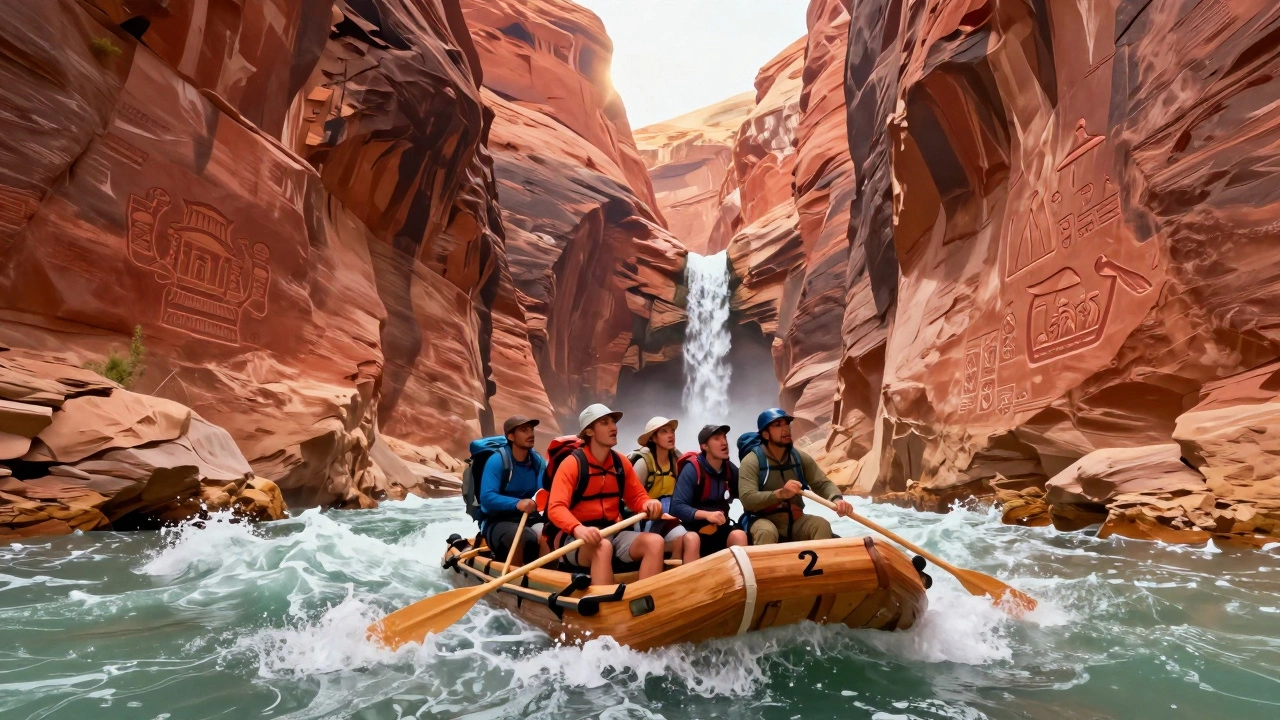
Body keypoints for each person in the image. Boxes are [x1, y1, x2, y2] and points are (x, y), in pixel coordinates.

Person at [546, 403, 665, 585]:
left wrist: (647, 503)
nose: (614, 427)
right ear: (589, 432)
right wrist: (579, 529)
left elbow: (636, 498)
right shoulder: (572, 464)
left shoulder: (621, 463)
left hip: (612, 532)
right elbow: (555, 508)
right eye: (605, 423)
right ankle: (606, 606)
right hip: (574, 538)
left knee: (655, 542)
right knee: (603, 547)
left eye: (614, 422)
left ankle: (646, 600)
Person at [738, 408, 853, 545]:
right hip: (763, 520)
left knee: (821, 525)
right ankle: (769, 566)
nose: (785, 428)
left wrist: (837, 499)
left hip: (795, 521)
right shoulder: (752, 461)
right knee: (766, 531)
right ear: (766, 435)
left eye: (787, 423)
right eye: (778, 425)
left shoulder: (799, 458)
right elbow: (748, 499)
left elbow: (822, 484)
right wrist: (780, 494)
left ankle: (821, 566)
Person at [478, 415, 549, 565]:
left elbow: (543, 492)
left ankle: (546, 576)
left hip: (529, 519)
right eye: (524, 430)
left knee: (550, 533)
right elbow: (487, 497)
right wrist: (517, 503)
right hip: (497, 522)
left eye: (531, 430)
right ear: (511, 436)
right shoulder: (497, 461)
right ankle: (514, 580)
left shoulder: (537, 462)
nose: (530, 434)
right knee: (520, 535)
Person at [671, 424, 748, 557]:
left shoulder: (729, 468)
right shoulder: (692, 469)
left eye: (724, 437)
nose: (724, 442)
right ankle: (692, 577)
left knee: (739, 535)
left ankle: (741, 577)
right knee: (692, 539)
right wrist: (707, 514)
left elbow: (745, 495)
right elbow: (676, 507)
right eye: (717, 439)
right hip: (695, 530)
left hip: (721, 529)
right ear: (704, 446)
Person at [630, 416, 699, 565]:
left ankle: (674, 570)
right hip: (644, 518)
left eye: (672, 431)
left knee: (685, 538)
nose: (670, 435)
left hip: (671, 516)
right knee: (676, 539)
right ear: (653, 438)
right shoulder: (643, 463)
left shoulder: (677, 461)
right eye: (664, 432)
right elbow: (631, 497)